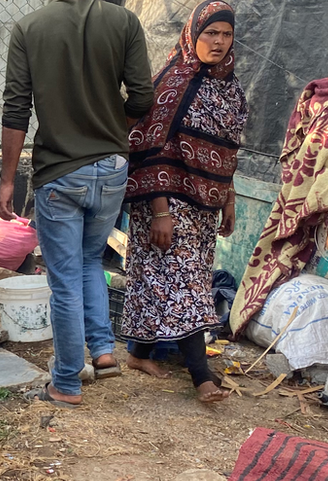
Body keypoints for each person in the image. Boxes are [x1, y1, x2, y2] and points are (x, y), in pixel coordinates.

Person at [0, 0, 153, 405]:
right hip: (113, 167)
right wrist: (113, 127)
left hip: (60, 172)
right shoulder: (124, 21)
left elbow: (16, 109)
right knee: (90, 261)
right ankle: (103, 351)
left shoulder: (29, 28)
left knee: (64, 280)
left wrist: (8, 180)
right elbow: (142, 96)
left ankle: (66, 382)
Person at [119, 0, 247, 404]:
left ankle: (139, 354)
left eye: (226, 35)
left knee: (163, 278)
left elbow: (228, 151)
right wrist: (160, 211)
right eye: (211, 33)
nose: (219, 42)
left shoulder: (230, 89)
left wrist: (228, 199)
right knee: (186, 281)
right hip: (164, 199)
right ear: (193, 34)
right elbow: (145, 146)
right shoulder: (171, 82)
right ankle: (201, 376)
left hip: (204, 203)